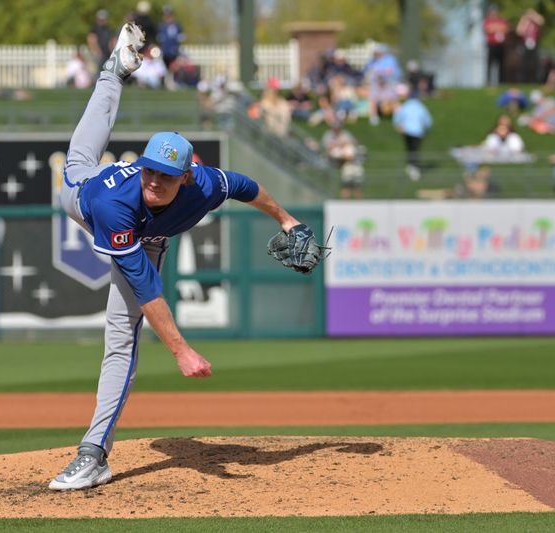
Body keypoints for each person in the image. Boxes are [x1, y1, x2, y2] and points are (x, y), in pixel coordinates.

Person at [48, 22, 323, 491]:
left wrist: (286, 220)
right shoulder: (116, 204)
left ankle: (93, 452)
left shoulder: (206, 184)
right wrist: (181, 349)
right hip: (84, 197)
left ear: (187, 176)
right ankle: (94, 457)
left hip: (149, 235)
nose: (154, 181)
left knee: (122, 332)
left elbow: (248, 188)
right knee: (123, 333)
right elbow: (147, 288)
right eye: (150, 171)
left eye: (166, 176)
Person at [393, 91, 432, 181]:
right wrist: (427, 129)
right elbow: (428, 120)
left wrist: (397, 125)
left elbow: (398, 117)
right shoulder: (421, 107)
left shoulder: (405, 106)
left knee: (410, 149)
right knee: (415, 150)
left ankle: (412, 166)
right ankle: (414, 168)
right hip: (418, 132)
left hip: (407, 131)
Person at [322, 121, 363, 198]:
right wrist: (341, 144)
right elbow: (328, 148)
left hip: (351, 162)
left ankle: (358, 201)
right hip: (337, 161)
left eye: (338, 128)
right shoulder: (328, 135)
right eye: (335, 128)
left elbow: (353, 142)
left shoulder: (345, 134)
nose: (337, 129)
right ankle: (345, 201)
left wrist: (341, 144)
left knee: (357, 182)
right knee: (346, 184)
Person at [483, 4, 508, 86]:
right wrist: (497, 28)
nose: (494, 12)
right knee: (490, 64)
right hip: (492, 44)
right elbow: (488, 29)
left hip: (500, 45)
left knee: (501, 64)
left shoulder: (502, 20)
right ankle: (489, 82)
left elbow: (505, 29)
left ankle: (501, 82)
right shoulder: (487, 20)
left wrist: (495, 27)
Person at [87, 9, 115, 77]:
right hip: (99, 53)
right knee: (98, 72)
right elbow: (91, 39)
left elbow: (111, 41)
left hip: (107, 53)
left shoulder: (107, 29)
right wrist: (96, 50)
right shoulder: (95, 29)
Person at [156, 5, 186, 70]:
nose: (167, 18)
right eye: (165, 15)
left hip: (174, 52)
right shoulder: (161, 26)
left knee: (175, 69)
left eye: (169, 15)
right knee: (163, 70)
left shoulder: (177, 26)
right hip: (164, 53)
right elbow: (158, 39)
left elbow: (181, 38)